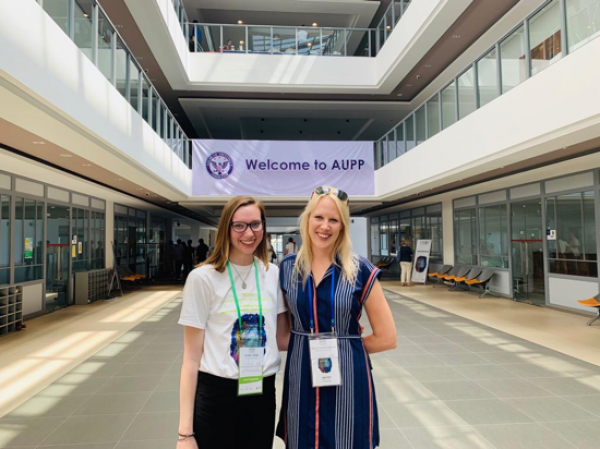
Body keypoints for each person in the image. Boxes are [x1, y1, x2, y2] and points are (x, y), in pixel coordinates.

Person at [276, 186, 397, 449]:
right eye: (318, 217)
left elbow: (388, 337)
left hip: (348, 377)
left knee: (347, 438)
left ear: (342, 226)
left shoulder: (360, 269)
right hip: (301, 374)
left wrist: (345, 346)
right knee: (301, 439)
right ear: (307, 220)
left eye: (334, 220)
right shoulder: (287, 269)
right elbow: (281, 335)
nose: (325, 226)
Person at [177, 196, 289, 449]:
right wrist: (185, 433)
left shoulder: (273, 274)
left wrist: (336, 335)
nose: (249, 233)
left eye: (255, 225)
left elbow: (282, 338)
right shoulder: (202, 278)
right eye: (239, 226)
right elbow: (191, 359)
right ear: (226, 229)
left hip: (262, 392)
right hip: (217, 394)